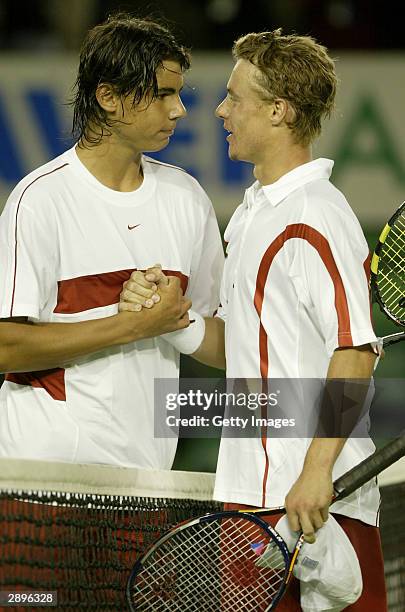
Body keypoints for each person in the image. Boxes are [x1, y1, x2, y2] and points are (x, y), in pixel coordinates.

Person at [121, 29, 387, 610]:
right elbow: (243, 348)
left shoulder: (315, 214)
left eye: (234, 96)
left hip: (317, 506)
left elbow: (355, 352)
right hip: (250, 501)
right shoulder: (251, 214)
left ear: (277, 110)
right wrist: (174, 317)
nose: (219, 109)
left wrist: (316, 472)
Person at [0, 13, 223, 469]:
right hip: (46, 471)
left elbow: (224, 346)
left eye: (178, 93)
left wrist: (176, 318)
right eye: (163, 94)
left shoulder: (187, 199)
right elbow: (5, 345)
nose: (179, 109)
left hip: (148, 476)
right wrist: (132, 325)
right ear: (109, 97)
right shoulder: (40, 199)